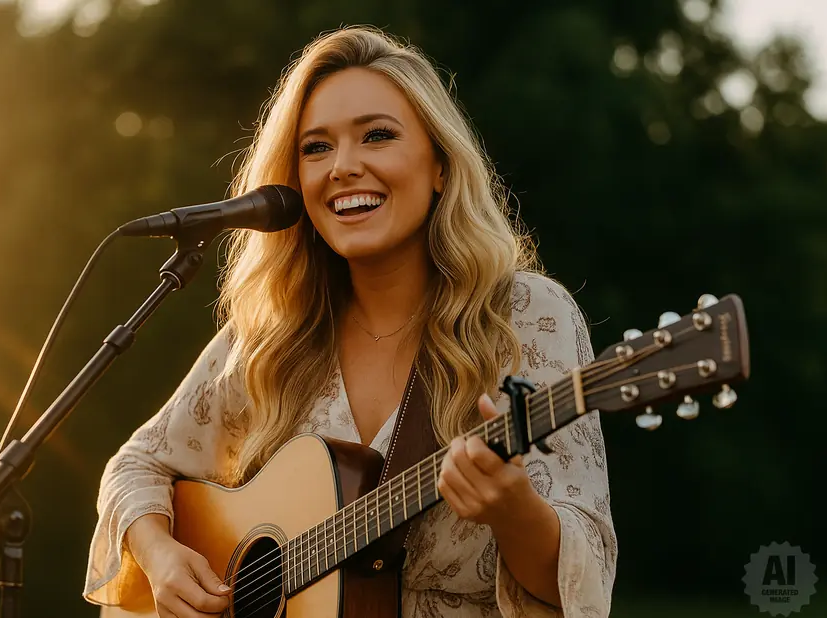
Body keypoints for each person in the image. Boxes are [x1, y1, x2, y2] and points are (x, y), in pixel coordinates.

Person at [83, 25, 617, 618]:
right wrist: (160, 556)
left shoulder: (524, 316)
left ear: (440, 164)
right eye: (315, 148)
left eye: (377, 136)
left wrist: (515, 511)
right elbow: (137, 464)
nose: (342, 167)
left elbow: (582, 572)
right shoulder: (271, 338)